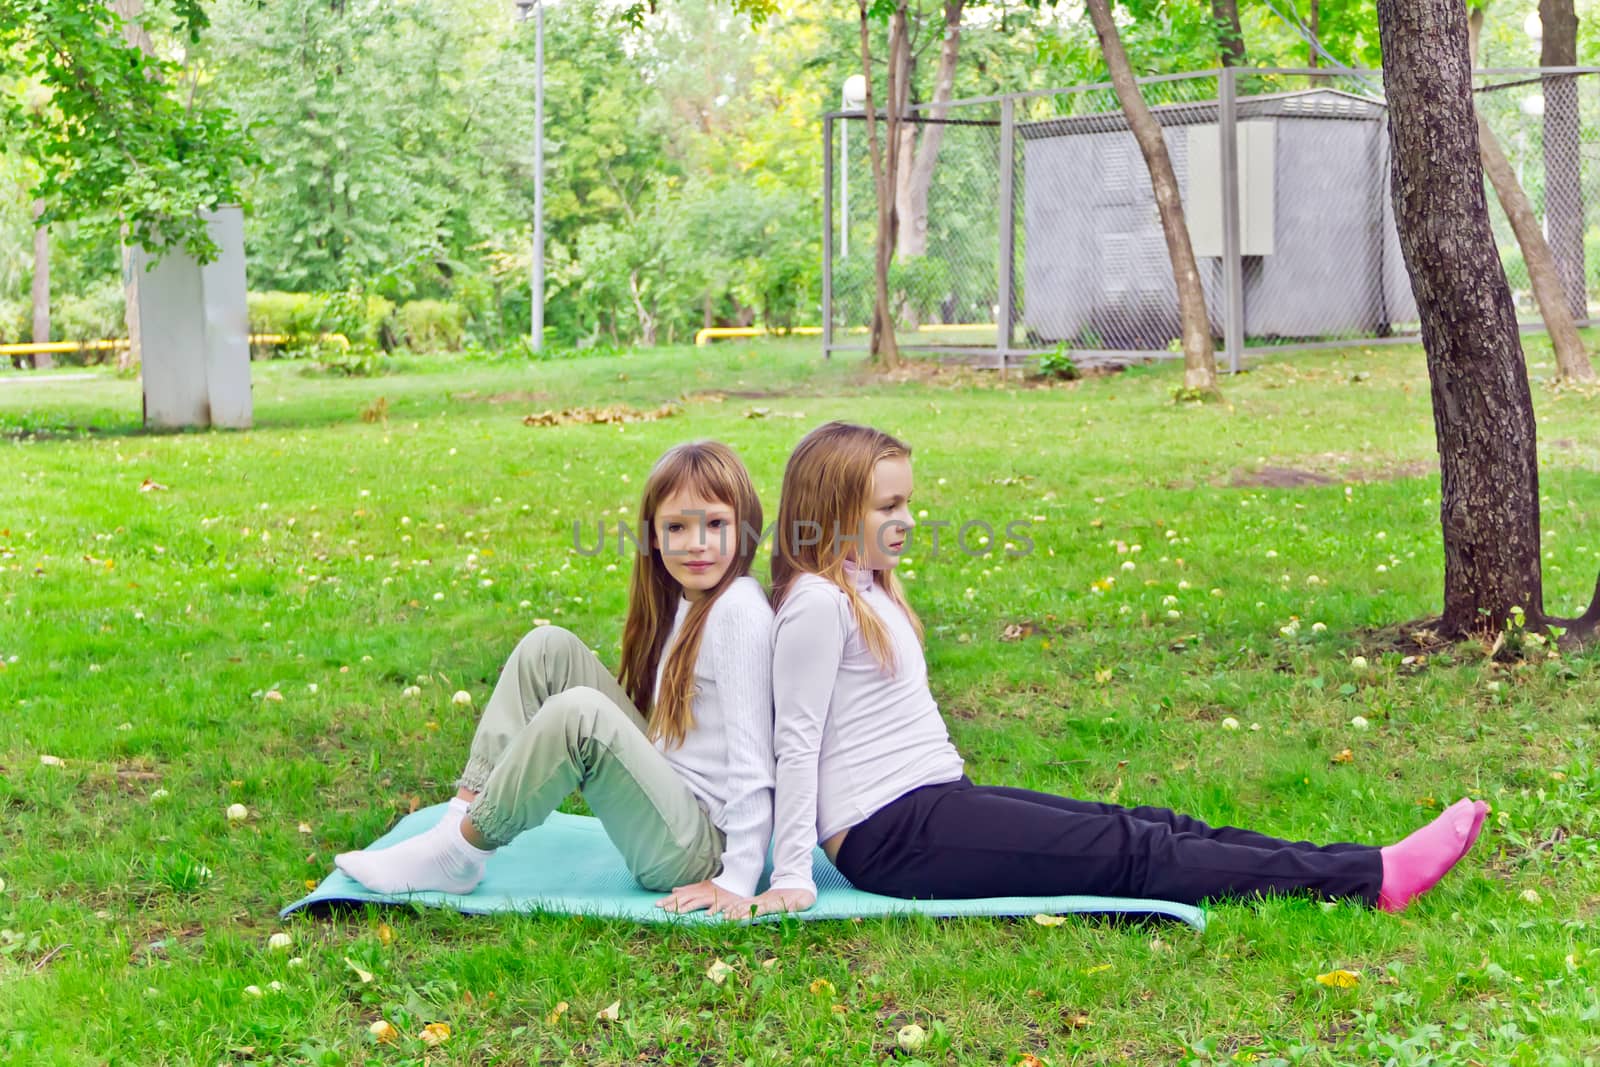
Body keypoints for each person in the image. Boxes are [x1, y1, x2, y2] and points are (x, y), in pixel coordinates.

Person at [736, 420, 1485, 919]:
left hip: (932, 802)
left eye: (907, 503)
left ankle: (1362, 867)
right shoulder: (815, 604)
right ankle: (1372, 879)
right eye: (886, 506)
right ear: (833, 509)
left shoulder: (863, 585)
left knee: (1148, 824)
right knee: (1132, 852)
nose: (904, 521)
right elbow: (794, 741)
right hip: (890, 836)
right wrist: (793, 875)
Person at [335, 440, 776, 916]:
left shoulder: (738, 611)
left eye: (715, 524)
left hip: (699, 851)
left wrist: (738, 879)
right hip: (675, 796)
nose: (697, 543)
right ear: (652, 535)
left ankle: (458, 853)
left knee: (578, 715)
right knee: (548, 650)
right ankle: (457, 822)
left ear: (744, 528)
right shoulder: (691, 599)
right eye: (677, 526)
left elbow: (757, 763)